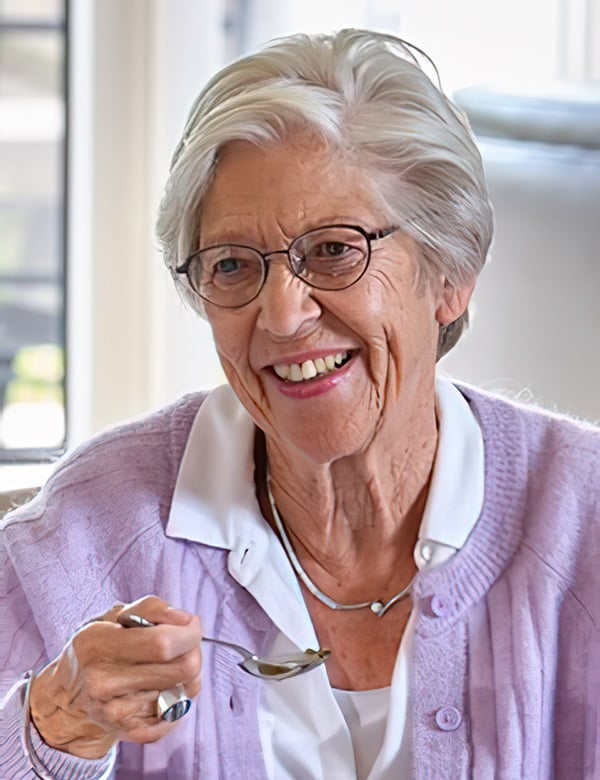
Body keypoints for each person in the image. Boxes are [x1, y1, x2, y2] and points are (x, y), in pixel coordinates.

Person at [1, 28, 598, 780]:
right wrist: (54, 726)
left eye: (335, 250)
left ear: (451, 274)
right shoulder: (93, 529)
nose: (281, 316)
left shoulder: (585, 525)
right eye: (232, 265)